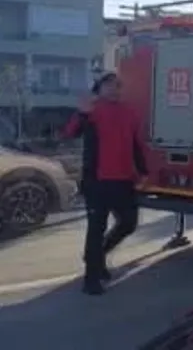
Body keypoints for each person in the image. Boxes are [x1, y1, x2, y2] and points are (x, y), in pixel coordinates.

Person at [63, 73, 147, 296]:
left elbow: (135, 145)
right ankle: (91, 280)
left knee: (128, 223)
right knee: (96, 230)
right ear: (99, 89)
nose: (114, 89)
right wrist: (82, 113)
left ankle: (97, 256)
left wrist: (143, 172)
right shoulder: (91, 111)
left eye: (118, 85)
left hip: (124, 181)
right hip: (97, 182)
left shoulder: (129, 112)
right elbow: (70, 133)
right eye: (108, 85)